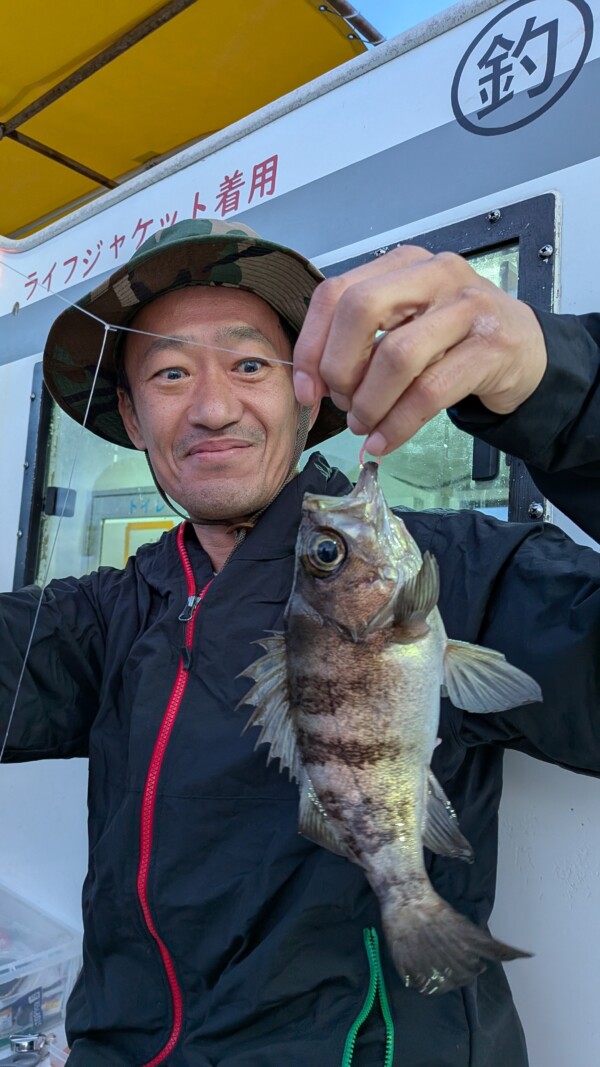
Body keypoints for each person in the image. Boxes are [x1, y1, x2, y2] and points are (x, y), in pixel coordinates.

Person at [1, 217, 599, 1067]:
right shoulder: (102, 616)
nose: (214, 407)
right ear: (133, 417)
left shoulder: (451, 573)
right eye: (170, 373)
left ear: (306, 394)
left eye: (250, 365)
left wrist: (564, 391)